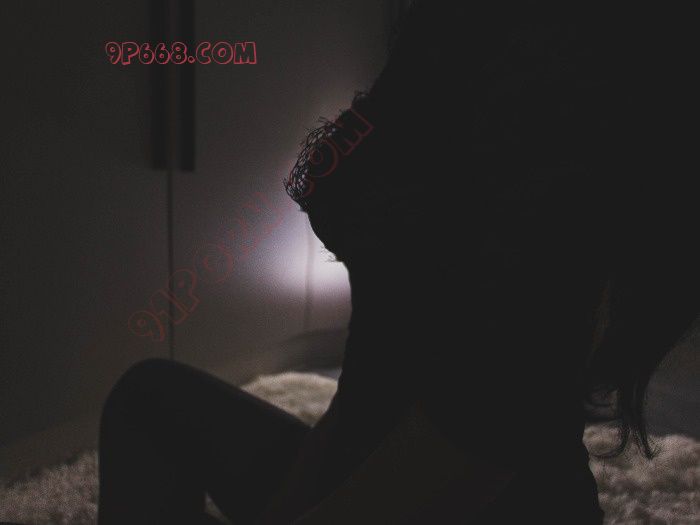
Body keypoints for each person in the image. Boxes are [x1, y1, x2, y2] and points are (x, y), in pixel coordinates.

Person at [98, 3, 698, 523]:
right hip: (371, 457)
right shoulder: (443, 46)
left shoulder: (555, 75)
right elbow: (369, 378)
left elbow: (482, 440)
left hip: (486, 499)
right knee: (150, 399)